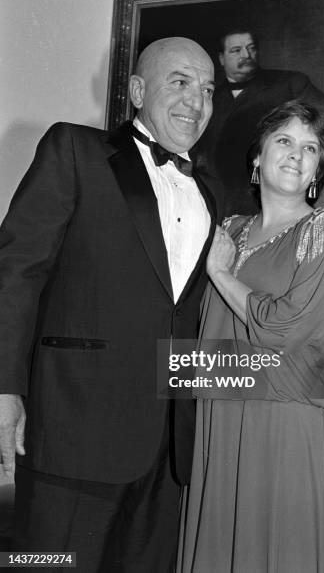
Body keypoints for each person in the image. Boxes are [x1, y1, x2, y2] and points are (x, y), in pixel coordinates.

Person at [0, 37, 223, 572]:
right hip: (72, 431)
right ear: (137, 91)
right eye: (180, 81)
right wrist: (4, 389)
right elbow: (16, 271)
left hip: (168, 449)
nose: (197, 100)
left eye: (209, 89)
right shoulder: (75, 149)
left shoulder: (211, 194)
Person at [177, 101, 324, 572]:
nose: (297, 154)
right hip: (219, 420)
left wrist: (220, 273)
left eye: (311, 147)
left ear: (319, 166)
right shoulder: (228, 231)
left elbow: (286, 328)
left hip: (283, 426)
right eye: (284, 140)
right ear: (257, 156)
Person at [198, 28, 324, 215]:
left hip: (274, 191)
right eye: (236, 50)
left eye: (251, 48)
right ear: (221, 58)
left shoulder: (288, 83)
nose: (246, 55)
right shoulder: (211, 97)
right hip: (223, 196)